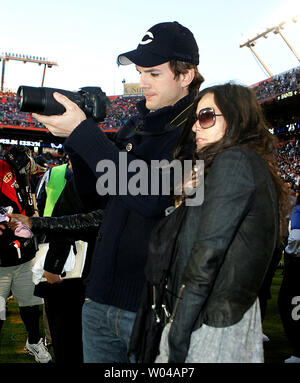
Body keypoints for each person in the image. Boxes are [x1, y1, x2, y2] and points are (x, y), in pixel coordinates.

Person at [31, 21, 204, 362]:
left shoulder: (203, 128)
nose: (142, 83)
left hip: (156, 308)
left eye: (153, 73)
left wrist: (84, 134)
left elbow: (153, 198)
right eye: (141, 72)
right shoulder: (135, 125)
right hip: (99, 298)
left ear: (186, 75)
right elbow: (98, 197)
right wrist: (77, 145)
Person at [129, 83, 290, 363]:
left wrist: (178, 334)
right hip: (220, 314)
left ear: (236, 118)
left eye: (206, 116)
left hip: (208, 321)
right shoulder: (239, 163)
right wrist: (182, 199)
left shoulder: (235, 161)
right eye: (195, 118)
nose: (194, 127)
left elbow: (206, 258)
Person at [0, 145, 52, 363]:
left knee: (31, 305)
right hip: (1, 259)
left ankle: (33, 342)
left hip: (24, 253)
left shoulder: (17, 170)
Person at [278, 191, 300, 363]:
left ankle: (298, 351)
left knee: (290, 303)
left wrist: (289, 252)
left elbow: (295, 238)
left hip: (297, 265)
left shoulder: (298, 209)